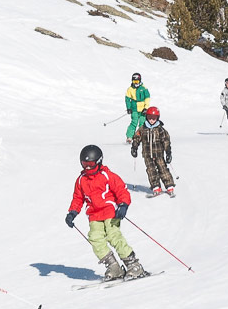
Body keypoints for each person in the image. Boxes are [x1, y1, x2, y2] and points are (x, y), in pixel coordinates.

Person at [67, 145, 146, 280]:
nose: (87, 168)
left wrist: (123, 205)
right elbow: (78, 198)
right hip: (94, 215)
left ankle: (134, 265)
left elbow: (122, 190)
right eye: (84, 164)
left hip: (111, 212)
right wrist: (72, 213)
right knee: (95, 239)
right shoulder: (81, 180)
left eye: (90, 164)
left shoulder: (107, 176)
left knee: (113, 235)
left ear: (98, 162)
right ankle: (113, 267)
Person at [131, 107, 175, 196]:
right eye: (150, 117)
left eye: (154, 118)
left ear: (157, 118)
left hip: (158, 154)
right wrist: (134, 147)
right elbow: (136, 138)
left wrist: (168, 152)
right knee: (151, 170)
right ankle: (156, 187)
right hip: (147, 154)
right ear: (147, 117)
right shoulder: (143, 128)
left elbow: (166, 141)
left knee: (163, 169)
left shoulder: (160, 129)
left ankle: (169, 185)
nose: (151, 120)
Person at [124, 73, 151, 141]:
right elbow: (127, 99)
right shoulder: (130, 89)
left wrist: (146, 108)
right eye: (134, 81)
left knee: (142, 123)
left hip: (143, 110)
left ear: (140, 81)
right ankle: (129, 136)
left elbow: (147, 98)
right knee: (134, 122)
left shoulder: (144, 88)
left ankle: (141, 136)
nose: (135, 83)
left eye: (137, 81)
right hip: (134, 108)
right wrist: (129, 108)